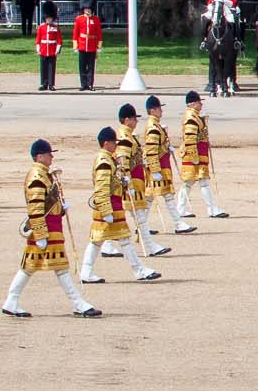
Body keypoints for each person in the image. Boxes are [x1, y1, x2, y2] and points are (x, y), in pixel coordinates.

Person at [1, 139, 101, 318]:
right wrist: (40, 234)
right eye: (48, 154)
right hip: (46, 229)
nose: (51, 157)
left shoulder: (45, 175)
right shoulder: (37, 177)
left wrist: (61, 209)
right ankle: (78, 303)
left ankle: (12, 300)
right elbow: (36, 207)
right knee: (58, 267)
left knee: (30, 267)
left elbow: (46, 203)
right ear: (39, 156)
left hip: (51, 227)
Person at [79, 127, 159, 285]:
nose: (116, 145)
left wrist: (122, 182)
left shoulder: (108, 158)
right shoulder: (104, 161)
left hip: (110, 205)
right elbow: (102, 188)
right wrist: (106, 210)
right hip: (109, 205)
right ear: (106, 143)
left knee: (100, 241)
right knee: (117, 240)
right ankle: (139, 270)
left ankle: (87, 271)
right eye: (113, 143)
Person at [115, 103, 170, 258]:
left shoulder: (128, 136)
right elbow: (124, 162)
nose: (136, 122)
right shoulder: (125, 138)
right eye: (133, 119)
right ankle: (149, 245)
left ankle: (107, 245)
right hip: (131, 183)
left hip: (135, 181)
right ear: (127, 120)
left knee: (127, 216)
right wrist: (129, 184)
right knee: (139, 217)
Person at [142, 95, 192, 235]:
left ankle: (142, 224)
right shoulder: (153, 127)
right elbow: (151, 150)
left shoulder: (156, 125)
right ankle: (178, 223)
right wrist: (155, 169)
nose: (161, 112)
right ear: (152, 111)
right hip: (158, 166)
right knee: (167, 196)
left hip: (161, 165)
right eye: (158, 109)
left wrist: (166, 147)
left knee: (152, 197)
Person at [176, 90, 228, 219]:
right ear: (193, 104)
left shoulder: (195, 116)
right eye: (199, 102)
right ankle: (211, 208)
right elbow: (190, 138)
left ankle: (181, 208)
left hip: (198, 154)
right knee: (201, 182)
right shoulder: (191, 118)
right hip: (195, 155)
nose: (201, 105)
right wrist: (194, 157)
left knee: (189, 182)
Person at [72, 0, 102, 90]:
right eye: (86, 9)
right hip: (82, 45)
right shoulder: (79, 19)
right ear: (84, 9)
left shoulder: (96, 19)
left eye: (89, 9)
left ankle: (90, 84)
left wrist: (99, 46)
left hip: (92, 46)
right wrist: (75, 46)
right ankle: (83, 84)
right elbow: (75, 33)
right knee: (82, 66)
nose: (88, 10)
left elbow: (99, 34)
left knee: (91, 67)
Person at [34, 2, 62, 91]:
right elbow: (38, 40)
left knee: (51, 68)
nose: (48, 20)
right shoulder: (41, 27)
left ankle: (51, 84)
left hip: (52, 50)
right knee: (43, 68)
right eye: (47, 18)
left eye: (50, 18)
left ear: (52, 18)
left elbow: (59, 40)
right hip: (43, 49)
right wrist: (38, 49)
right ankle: (44, 83)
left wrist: (57, 50)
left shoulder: (56, 27)